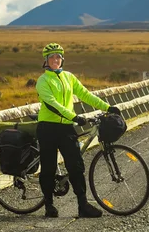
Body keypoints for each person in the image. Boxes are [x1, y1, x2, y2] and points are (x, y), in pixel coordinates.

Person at [35, 42, 122, 218]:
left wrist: (107, 107)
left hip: (66, 128)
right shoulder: (43, 80)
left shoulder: (68, 77)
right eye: (51, 57)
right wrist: (74, 117)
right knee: (48, 167)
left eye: (58, 57)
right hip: (48, 128)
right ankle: (49, 205)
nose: (55, 60)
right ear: (46, 61)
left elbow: (85, 94)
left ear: (62, 59)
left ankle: (83, 206)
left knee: (76, 166)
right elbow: (53, 105)